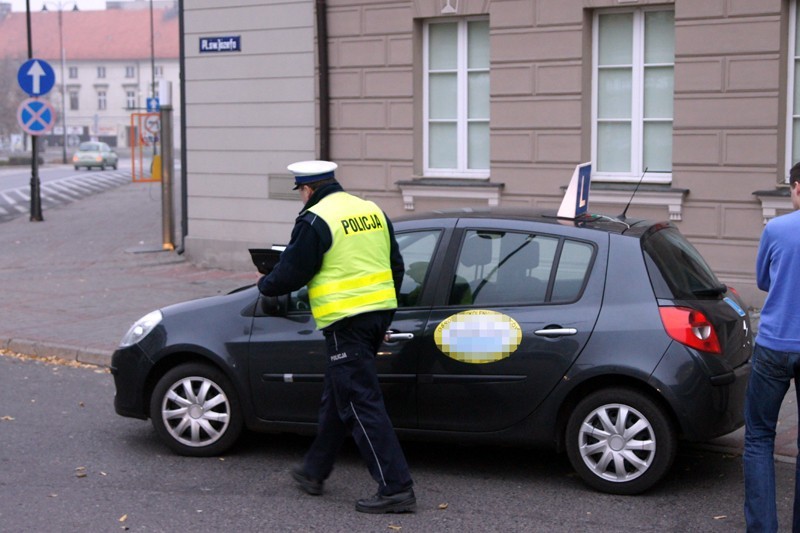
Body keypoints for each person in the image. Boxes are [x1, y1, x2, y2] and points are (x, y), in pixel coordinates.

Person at [257, 160, 416, 514]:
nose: (302, 198)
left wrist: (265, 283)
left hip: (345, 323)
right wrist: (383, 311)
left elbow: (293, 271)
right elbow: (396, 265)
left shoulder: (316, 219)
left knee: (360, 402)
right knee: (338, 395)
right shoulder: (370, 210)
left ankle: (396, 488)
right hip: (376, 317)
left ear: (308, 189)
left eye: (300, 192)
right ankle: (314, 471)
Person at [743, 163, 800, 532]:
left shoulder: (777, 229)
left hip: (775, 345)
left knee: (759, 437)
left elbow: (764, 280)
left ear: (797, 188)